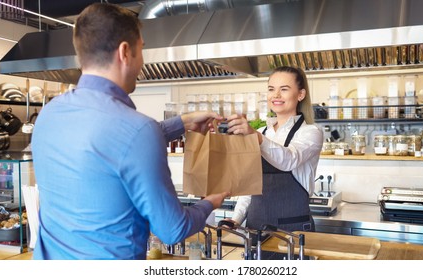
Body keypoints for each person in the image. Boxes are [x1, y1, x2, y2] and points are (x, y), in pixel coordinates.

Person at [31, 3, 228, 260]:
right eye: (142, 49)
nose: (142, 61)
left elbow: (110, 145)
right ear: (125, 52)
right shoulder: (138, 130)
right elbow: (173, 229)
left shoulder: (49, 114)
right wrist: (210, 202)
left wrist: (181, 123)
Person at [225, 66, 323, 232]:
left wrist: (254, 137)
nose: (276, 95)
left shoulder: (311, 132)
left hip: (293, 231)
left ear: (300, 94)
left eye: (284, 89)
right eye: (271, 89)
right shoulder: (263, 132)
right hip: (255, 228)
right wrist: (236, 219)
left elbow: (288, 160)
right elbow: (250, 185)